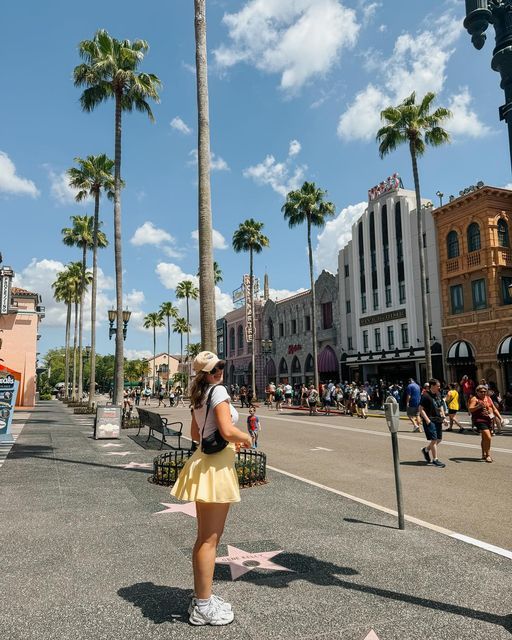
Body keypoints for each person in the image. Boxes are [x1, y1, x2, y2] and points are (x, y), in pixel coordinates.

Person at [171, 351, 252, 626]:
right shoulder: (218, 391)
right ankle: (203, 605)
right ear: (203, 373)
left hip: (205, 463)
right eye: (212, 369)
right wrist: (247, 437)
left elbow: (195, 435)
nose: (218, 371)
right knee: (209, 540)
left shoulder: (200, 394)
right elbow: (228, 431)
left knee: (205, 537)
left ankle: (202, 597)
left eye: (220, 366)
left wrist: (223, 435)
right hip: (216, 468)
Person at [468, 385, 503, 463]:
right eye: (481, 392)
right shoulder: (475, 399)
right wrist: (478, 406)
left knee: (484, 438)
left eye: (485, 391)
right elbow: (470, 409)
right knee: (488, 437)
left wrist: (501, 418)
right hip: (479, 420)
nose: (483, 393)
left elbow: (494, 408)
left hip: (489, 420)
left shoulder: (488, 398)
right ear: (477, 392)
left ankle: (483, 454)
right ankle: (488, 455)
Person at [418, 378, 446, 468]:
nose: (439, 388)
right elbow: (420, 409)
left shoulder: (438, 394)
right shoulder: (425, 395)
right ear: (432, 386)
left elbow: (440, 405)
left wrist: (443, 418)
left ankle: (426, 450)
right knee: (434, 440)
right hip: (430, 420)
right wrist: (427, 420)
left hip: (438, 419)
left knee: (439, 439)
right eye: (438, 386)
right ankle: (435, 460)